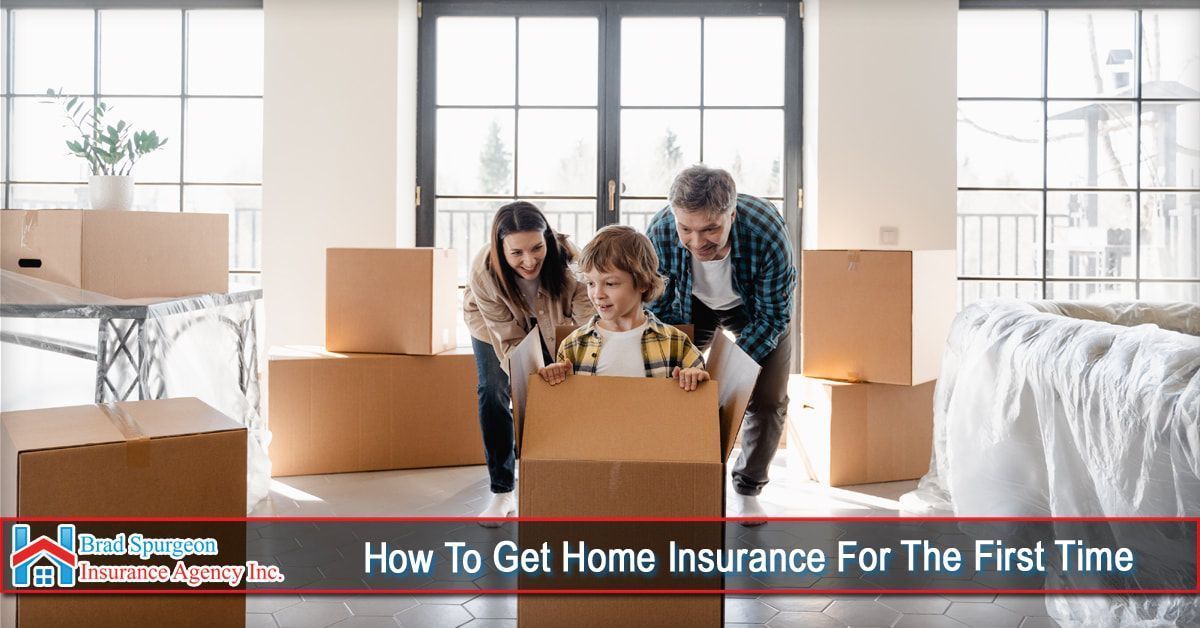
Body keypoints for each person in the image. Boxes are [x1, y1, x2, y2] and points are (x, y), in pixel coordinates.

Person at [646, 165, 797, 525]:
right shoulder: (660, 231)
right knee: (671, 385)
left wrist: (729, 377)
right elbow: (658, 309)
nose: (698, 242)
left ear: (732, 213)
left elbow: (773, 316)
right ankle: (679, 480)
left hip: (754, 308)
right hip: (690, 304)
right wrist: (681, 363)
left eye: (711, 228)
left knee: (767, 397)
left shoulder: (766, 231)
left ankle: (748, 489)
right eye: (687, 229)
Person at [463, 201, 593, 525]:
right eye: (517, 253)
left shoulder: (572, 263)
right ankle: (502, 490)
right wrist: (534, 370)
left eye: (537, 247)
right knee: (493, 388)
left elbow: (588, 323)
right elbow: (508, 339)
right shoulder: (483, 271)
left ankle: (564, 475)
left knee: (564, 384)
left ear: (547, 237)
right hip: (494, 324)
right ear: (500, 247)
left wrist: (565, 363)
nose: (530, 260)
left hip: (555, 320)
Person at [541, 225, 709, 391]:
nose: (597, 294)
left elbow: (701, 386)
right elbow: (566, 405)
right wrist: (553, 379)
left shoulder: (676, 342)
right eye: (590, 283)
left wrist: (694, 376)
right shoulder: (573, 345)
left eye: (610, 283)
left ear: (643, 282)